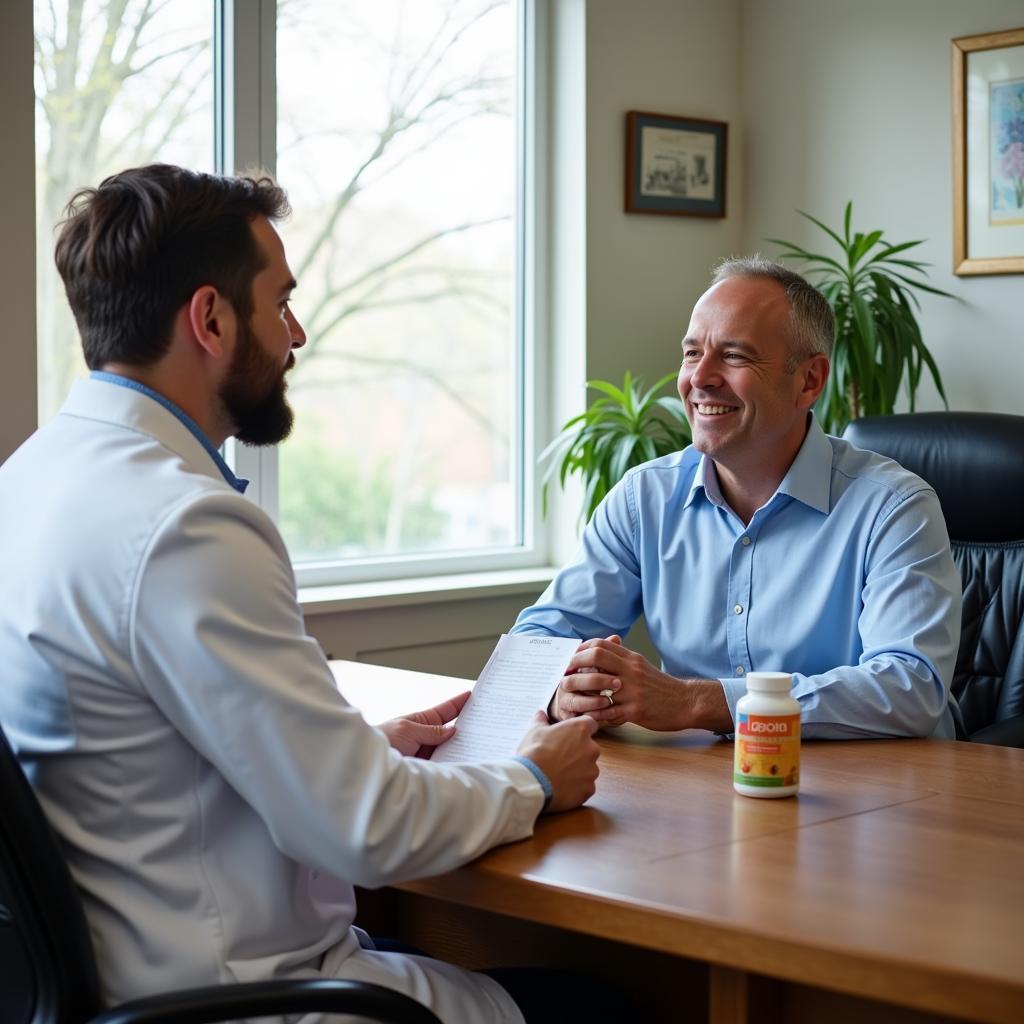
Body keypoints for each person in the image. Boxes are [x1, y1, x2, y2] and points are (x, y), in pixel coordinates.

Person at [0, 164, 609, 1024]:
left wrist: (352, 748)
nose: (297, 333)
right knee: (606, 1005)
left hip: (121, 980)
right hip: (239, 997)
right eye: (279, 302)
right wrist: (533, 779)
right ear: (210, 319)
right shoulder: (186, 525)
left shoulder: (25, 483)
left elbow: (143, 751)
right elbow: (367, 830)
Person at [512, 257, 963, 740]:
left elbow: (910, 689)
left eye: (734, 356)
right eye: (691, 354)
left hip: (883, 792)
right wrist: (558, 691)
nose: (699, 378)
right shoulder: (643, 499)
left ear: (809, 381)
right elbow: (536, 645)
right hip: (707, 786)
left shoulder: (894, 508)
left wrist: (695, 702)